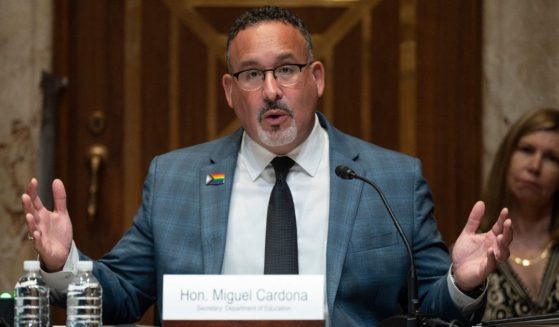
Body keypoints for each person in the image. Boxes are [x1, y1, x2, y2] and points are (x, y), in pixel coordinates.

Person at [22, 6, 512, 326]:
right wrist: (63, 262)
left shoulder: (389, 179)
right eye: (252, 74)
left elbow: (433, 305)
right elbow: (125, 294)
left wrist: (461, 281)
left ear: (315, 78)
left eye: (286, 69)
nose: (272, 90)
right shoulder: (175, 179)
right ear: (230, 91)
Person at [480, 108, 559, 321]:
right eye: (527, 150)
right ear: (507, 157)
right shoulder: (474, 252)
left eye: (552, 158)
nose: (535, 166)